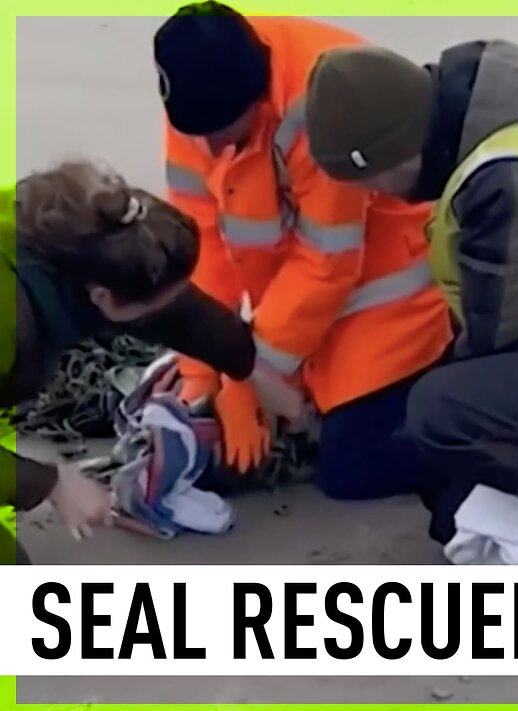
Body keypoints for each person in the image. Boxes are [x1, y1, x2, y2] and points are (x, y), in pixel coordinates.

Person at [303, 40, 518, 611]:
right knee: (446, 473)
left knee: (442, 415)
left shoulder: (515, 175)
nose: (370, 198)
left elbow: (506, 339)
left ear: (399, 152)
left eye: (369, 182)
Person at [153, 4, 454, 493]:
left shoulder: (325, 105)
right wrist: (203, 373)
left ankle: (491, 433)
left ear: (254, 102)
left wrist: (248, 371)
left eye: (222, 136)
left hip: (381, 286)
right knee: (240, 429)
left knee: (351, 466)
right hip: (294, 303)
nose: (207, 149)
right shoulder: (197, 96)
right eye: (196, 135)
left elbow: (328, 260)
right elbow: (199, 242)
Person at [0, 158, 297, 564]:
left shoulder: (81, 242)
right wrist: (49, 482)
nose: (158, 319)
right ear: (102, 298)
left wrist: (249, 367)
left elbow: (178, 312)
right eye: (149, 312)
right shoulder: (10, 314)